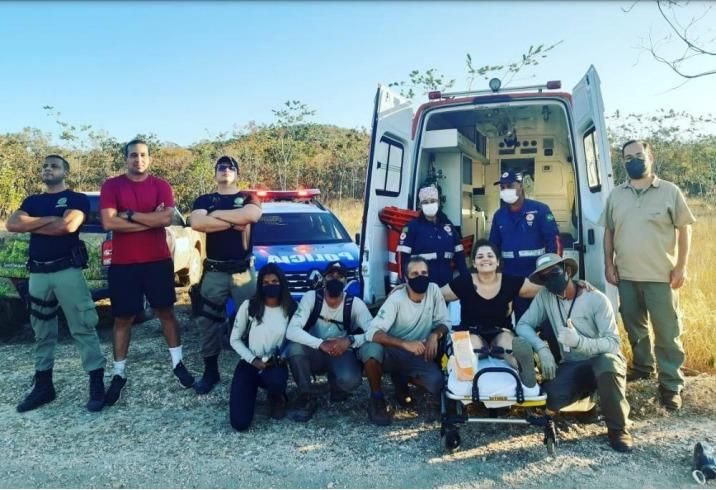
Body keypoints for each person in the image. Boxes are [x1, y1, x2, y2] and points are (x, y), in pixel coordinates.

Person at [7, 154, 106, 413]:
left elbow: (67, 226)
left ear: (66, 171)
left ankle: (96, 384)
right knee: (41, 330)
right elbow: (13, 223)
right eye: (45, 166)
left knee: (83, 325)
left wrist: (32, 224)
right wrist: (50, 220)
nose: (48, 169)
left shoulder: (77, 199)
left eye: (54, 166)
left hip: (67, 271)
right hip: (38, 274)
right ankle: (43, 386)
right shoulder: (32, 200)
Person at [601, 139, 695, 411]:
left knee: (667, 333)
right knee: (635, 329)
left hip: (661, 277)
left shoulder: (669, 191)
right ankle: (643, 369)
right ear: (622, 162)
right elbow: (609, 230)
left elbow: (684, 229)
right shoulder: (617, 195)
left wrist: (681, 266)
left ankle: (671, 385)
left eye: (638, 155)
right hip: (627, 277)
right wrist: (609, 264)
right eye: (628, 157)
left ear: (650, 156)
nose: (634, 160)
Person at [99, 138, 195, 405]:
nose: (138, 159)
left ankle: (178, 365)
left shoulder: (160, 185)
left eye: (142, 155)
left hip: (157, 261)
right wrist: (147, 220)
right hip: (123, 264)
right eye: (133, 155)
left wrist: (128, 216)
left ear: (149, 158)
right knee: (123, 319)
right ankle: (119, 374)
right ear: (126, 158)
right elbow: (109, 221)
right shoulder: (111, 185)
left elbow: (166, 219)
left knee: (166, 312)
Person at [512, 253, 633, 453]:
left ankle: (618, 429)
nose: (551, 279)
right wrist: (542, 349)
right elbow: (523, 325)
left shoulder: (596, 299)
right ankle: (588, 401)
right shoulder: (545, 297)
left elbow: (612, 344)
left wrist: (579, 342)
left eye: (555, 272)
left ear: (567, 271)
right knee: (550, 396)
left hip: (601, 359)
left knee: (607, 367)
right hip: (572, 364)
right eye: (544, 277)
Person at [189, 155, 262, 394]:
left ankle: (253, 367)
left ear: (237, 173)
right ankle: (211, 371)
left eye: (231, 167)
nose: (225, 170)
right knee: (207, 321)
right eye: (221, 167)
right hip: (215, 271)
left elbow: (250, 216)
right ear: (215, 172)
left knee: (252, 319)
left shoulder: (249, 197)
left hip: (242, 272)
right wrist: (233, 222)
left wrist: (215, 217)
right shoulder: (205, 198)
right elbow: (197, 223)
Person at [361, 256, 450, 426]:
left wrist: (434, 335)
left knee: (436, 383)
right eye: (415, 274)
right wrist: (403, 344)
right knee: (371, 351)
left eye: (424, 273)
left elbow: (445, 323)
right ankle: (377, 399)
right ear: (406, 278)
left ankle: (401, 380)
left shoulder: (434, 290)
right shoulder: (396, 299)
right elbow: (372, 332)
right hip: (393, 350)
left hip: (419, 351)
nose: (420, 277)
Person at [285, 262, 373, 422]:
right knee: (294, 348)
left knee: (350, 380)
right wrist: (320, 344)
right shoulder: (311, 297)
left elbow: (374, 332)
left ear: (346, 282)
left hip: (341, 352)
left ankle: (336, 387)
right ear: (323, 279)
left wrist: (350, 340)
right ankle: (306, 395)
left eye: (340, 277)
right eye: (331, 276)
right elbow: (291, 330)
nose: (335, 279)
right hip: (315, 350)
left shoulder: (354, 303)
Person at [440, 239, 542, 370]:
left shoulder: (510, 281)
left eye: (490, 256)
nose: (485, 259)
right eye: (480, 257)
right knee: (471, 347)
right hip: (471, 332)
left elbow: (541, 290)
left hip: (501, 332)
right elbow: (436, 295)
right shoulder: (463, 282)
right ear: (474, 263)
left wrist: (570, 284)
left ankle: (524, 368)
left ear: (498, 261)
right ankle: (465, 374)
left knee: (509, 344)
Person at [228, 263, 295, 431]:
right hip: (250, 361)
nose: (270, 285)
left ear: (282, 283)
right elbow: (234, 339)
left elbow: (297, 338)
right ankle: (249, 394)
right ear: (260, 285)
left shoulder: (291, 308)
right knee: (240, 423)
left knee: (276, 380)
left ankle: (276, 396)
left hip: (275, 363)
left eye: (274, 281)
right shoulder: (249, 306)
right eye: (265, 282)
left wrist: (285, 355)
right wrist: (252, 359)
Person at [489, 169, 561, 320]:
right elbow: (493, 247)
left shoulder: (540, 210)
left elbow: (554, 241)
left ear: (520, 186)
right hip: (509, 276)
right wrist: (492, 275)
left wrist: (553, 270)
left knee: (538, 320)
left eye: (510, 186)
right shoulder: (499, 215)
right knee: (510, 319)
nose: (505, 190)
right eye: (502, 187)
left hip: (535, 276)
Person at [397, 184, 468, 287]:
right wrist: (406, 282)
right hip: (421, 284)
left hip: (445, 283)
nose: (429, 204)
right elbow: (402, 258)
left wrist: (466, 279)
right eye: (425, 202)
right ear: (420, 205)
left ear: (438, 202)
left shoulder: (448, 225)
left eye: (433, 201)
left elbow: (459, 255)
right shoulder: (412, 227)